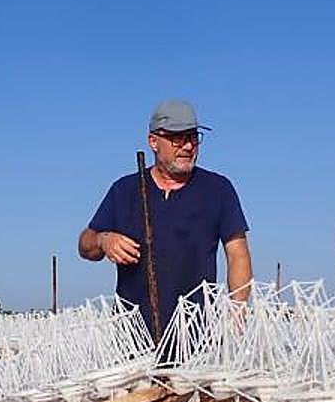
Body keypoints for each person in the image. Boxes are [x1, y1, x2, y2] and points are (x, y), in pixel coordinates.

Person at [78, 99, 253, 338]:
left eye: (193, 137)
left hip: (196, 336)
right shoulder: (125, 190)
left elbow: (237, 254)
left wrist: (238, 312)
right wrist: (103, 240)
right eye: (177, 138)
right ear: (153, 142)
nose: (188, 146)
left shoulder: (218, 189)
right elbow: (85, 246)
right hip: (133, 338)